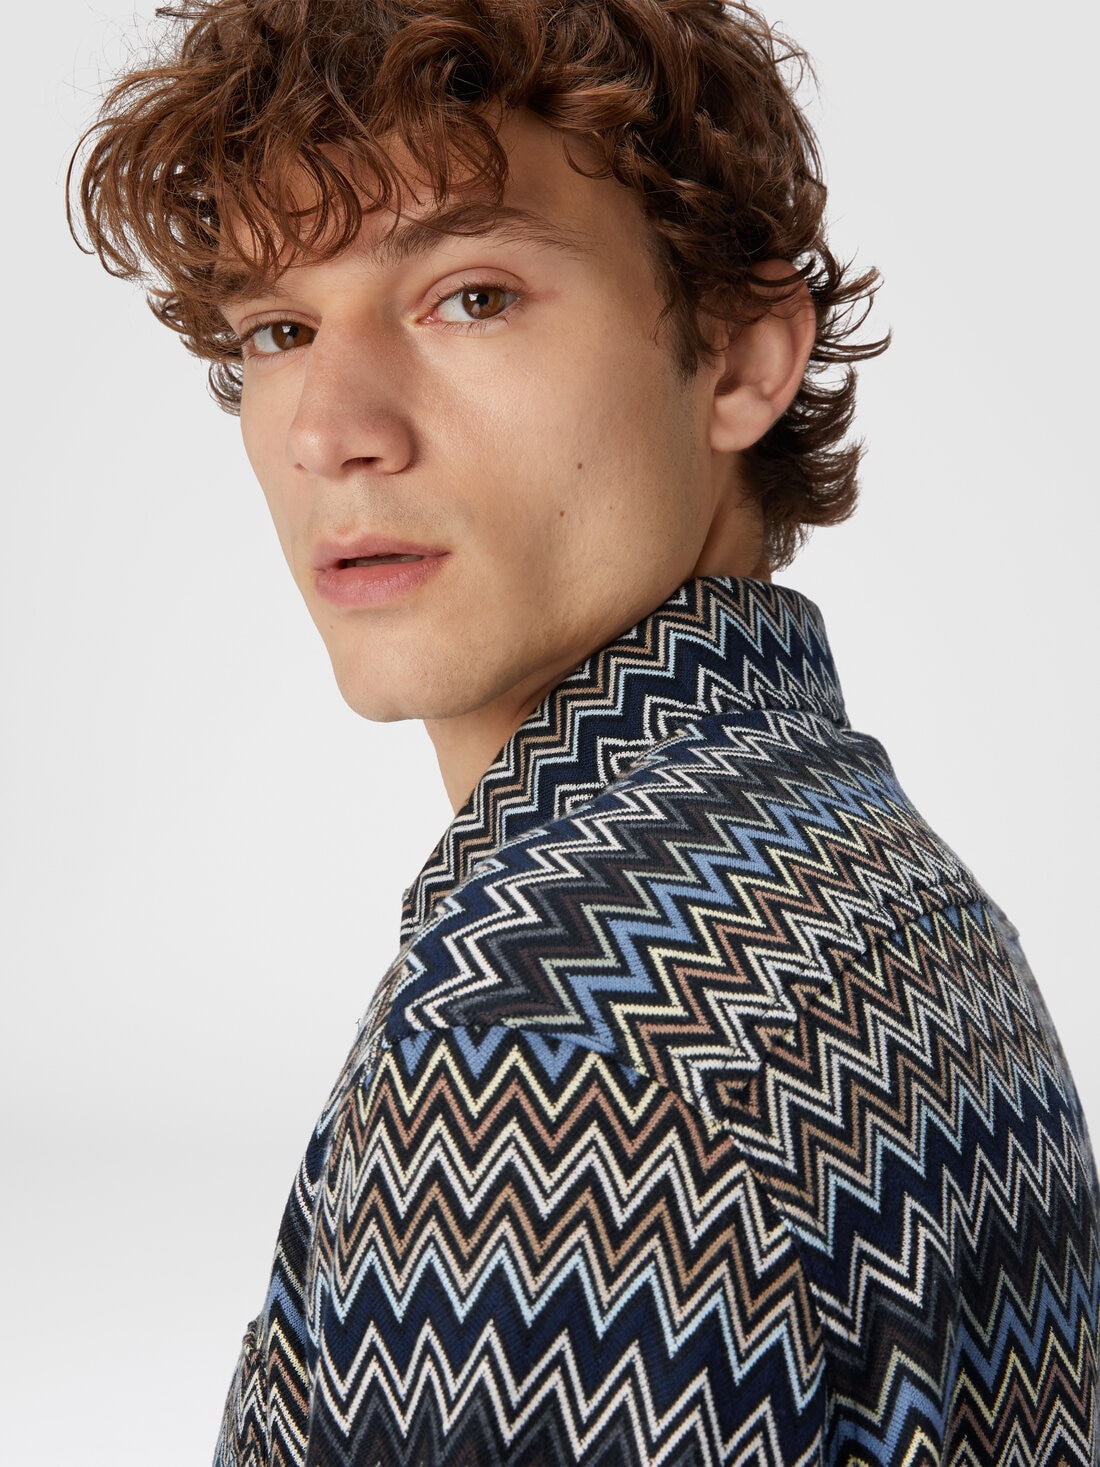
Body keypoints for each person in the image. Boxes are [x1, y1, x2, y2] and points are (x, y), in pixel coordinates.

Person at [70, 1, 1100, 1462]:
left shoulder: (537, 1048)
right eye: (281, 329)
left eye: (471, 296)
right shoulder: (889, 888)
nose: (330, 429)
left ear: (739, 356)